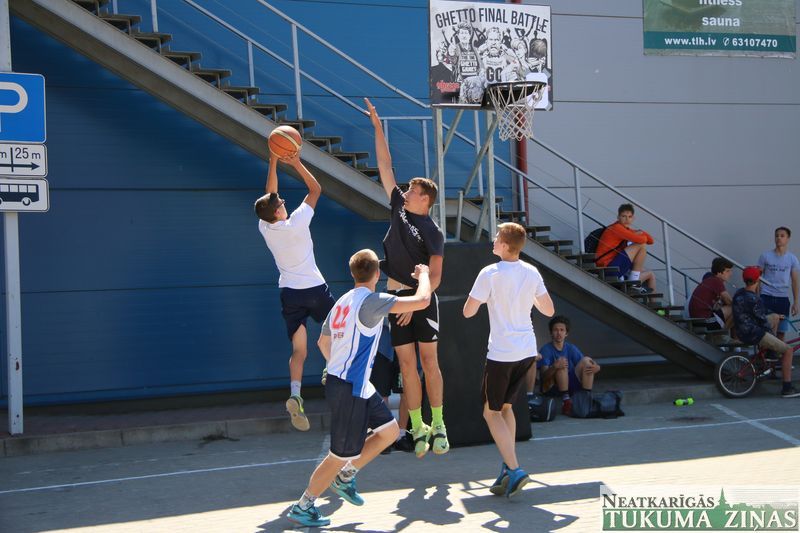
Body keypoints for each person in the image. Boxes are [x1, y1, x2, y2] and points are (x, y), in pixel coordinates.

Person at [286, 250, 432, 527]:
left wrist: (337, 365)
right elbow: (423, 300)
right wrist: (424, 274)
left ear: (353, 273)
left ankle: (346, 477)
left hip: (357, 384)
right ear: (377, 274)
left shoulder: (342, 301)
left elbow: (322, 344)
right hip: (349, 388)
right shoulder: (372, 301)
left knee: (389, 431)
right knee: (337, 456)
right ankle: (304, 505)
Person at [365, 98, 449, 458]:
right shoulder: (399, 208)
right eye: (409, 189)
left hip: (421, 301)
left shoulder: (433, 232)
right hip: (395, 299)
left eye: (414, 191)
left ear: (425, 200)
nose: (407, 192)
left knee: (429, 362)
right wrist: (377, 129)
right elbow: (385, 164)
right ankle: (416, 427)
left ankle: (440, 423)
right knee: (406, 366)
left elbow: (438, 277)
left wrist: (416, 304)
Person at [463, 223, 555, 498]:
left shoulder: (489, 273)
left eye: (497, 237)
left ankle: (515, 469)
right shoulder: (531, 271)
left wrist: (483, 299)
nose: (493, 240)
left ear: (504, 245)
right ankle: (507, 466)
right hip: (527, 350)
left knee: (490, 412)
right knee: (504, 409)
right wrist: (526, 299)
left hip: (502, 353)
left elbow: (468, 312)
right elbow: (548, 310)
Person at [254, 151, 335, 432]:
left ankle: (296, 394)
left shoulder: (265, 226)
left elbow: (269, 194)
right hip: (315, 288)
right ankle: (331, 367)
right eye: (280, 203)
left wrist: (274, 159)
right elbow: (316, 189)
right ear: (277, 212)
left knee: (298, 350)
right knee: (337, 332)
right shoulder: (297, 221)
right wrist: (296, 162)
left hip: (290, 293)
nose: (284, 201)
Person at [732, 266, 799, 398]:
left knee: (774, 317)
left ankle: (769, 352)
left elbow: (758, 314)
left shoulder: (739, 293)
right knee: (788, 350)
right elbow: (763, 323)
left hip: (743, 329)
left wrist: (775, 316)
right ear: (758, 280)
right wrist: (775, 340)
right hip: (754, 332)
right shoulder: (755, 299)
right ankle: (787, 387)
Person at [530, 316, 601, 416]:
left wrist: (597, 367)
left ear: (566, 333)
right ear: (551, 333)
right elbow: (543, 377)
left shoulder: (570, 347)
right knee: (561, 363)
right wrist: (554, 366)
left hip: (569, 384)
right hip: (552, 388)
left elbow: (584, 363)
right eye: (555, 330)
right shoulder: (546, 349)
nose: (559, 333)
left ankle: (585, 400)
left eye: (562, 330)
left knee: (587, 361)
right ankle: (566, 401)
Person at [595, 203, 656, 292]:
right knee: (640, 245)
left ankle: (654, 304)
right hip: (608, 268)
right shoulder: (617, 228)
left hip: (617, 266)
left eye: (629, 217)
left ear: (633, 218)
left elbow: (651, 241)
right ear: (618, 217)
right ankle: (634, 282)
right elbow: (642, 241)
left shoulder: (626, 230)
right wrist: (638, 235)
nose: (627, 219)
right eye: (624, 216)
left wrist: (640, 232)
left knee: (651, 274)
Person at [757, 227, 799, 341]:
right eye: (777, 235)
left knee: (781, 331)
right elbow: (757, 278)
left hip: (782, 298)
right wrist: (756, 296)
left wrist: (796, 302)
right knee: (765, 328)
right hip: (766, 296)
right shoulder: (765, 256)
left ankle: (777, 356)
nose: (778, 238)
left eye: (782, 236)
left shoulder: (792, 259)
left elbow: (795, 280)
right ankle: (763, 356)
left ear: (788, 238)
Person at [688, 257, 734, 330]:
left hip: (697, 320)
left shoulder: (709, 280)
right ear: (719, 272)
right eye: (727, 271)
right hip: (705, 321)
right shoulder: (716, 281)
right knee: (736, 309)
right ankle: (723, 333)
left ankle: (725, 335)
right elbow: (729, 301)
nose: (730, 274)